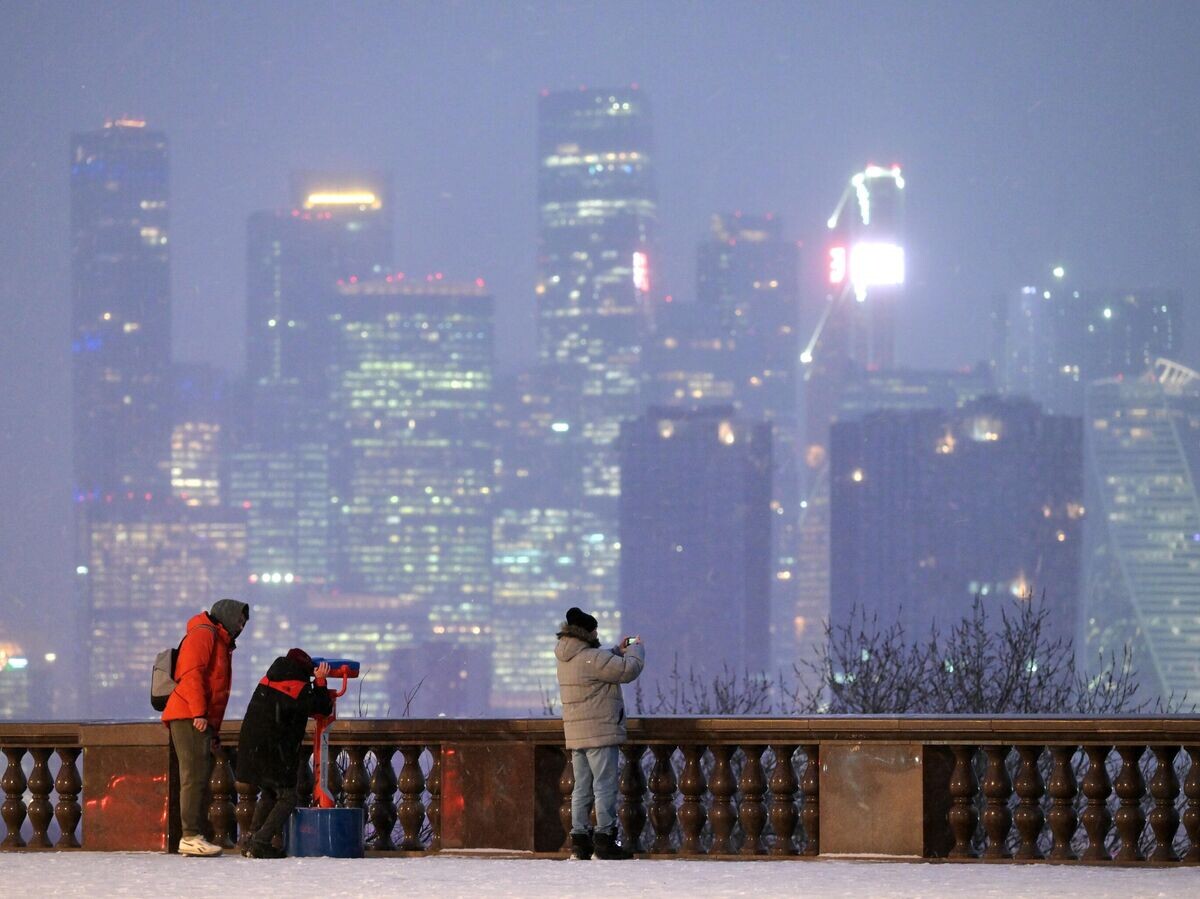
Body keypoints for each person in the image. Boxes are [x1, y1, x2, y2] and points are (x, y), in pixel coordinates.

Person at [555, 606, 645, 860]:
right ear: (587, 632)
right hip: (600, 732)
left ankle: (580, 840)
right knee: (604, 786)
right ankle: (604, 839)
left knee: (581, 788)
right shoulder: (592, 659)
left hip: (576, 734)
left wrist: (616, 651)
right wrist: (636, 648)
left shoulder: (567, 657)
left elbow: (596, 662)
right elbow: (628, 670)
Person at [162, 598, 249, 857]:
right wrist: (200, 713)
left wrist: (212, 726)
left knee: (198, 776)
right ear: (227, 616)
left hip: (196, 715)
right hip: (189, 713)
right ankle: (189, 836)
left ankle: (194, 835)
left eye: (244, 622)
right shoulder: (204, 634)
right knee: (193, 776)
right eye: (240, 620)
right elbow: (192, 674)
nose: (242, 626)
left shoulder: (219, 640)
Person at [235, 648, 334, 858]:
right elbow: (323, 708)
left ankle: (250, 839)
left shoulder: (269, 679)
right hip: (276, 751)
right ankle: (260, 841)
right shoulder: (298, 687)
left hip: (252, 745)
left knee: (270, 792)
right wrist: (321, 681)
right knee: (288, 797)